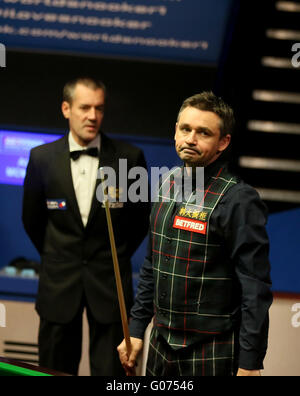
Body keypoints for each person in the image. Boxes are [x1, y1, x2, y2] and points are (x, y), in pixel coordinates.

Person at [117, 92, 273, 377]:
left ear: (222, 142)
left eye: (203, 132)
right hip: (160, 344)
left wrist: (250, 363)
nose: (190, 139)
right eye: (185, 129)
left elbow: (255, 290)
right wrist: (137, 329)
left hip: (212, 349)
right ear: (175, 130)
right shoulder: (166, 184)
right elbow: (153, 265)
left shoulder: (239, 199)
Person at [22, 77, 150, 376]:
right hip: (58, 284)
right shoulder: (40, 159)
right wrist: (59, 254)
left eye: (99, 108)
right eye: (84, 107)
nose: (93, 116)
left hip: (110, 286)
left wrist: (112, 255)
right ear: (66, 109)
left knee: (113, 375)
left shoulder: (129, 158)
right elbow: (32, 220)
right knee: (53, 371)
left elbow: (139, 222)